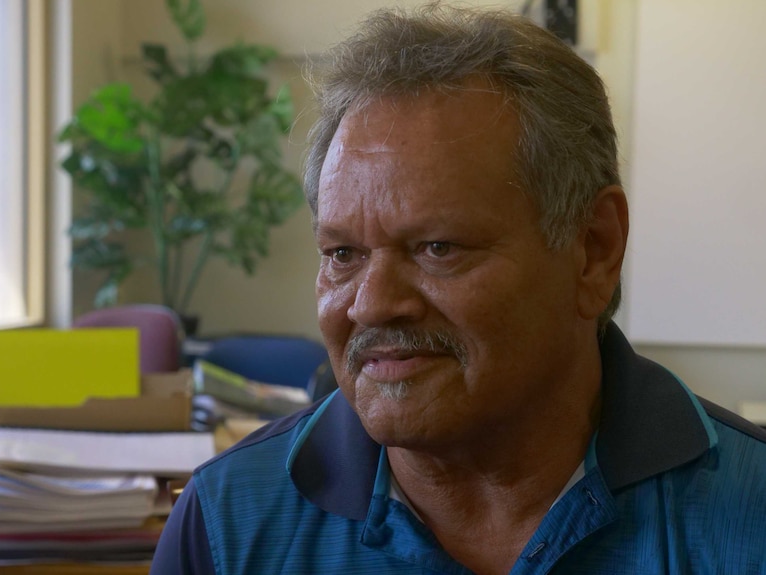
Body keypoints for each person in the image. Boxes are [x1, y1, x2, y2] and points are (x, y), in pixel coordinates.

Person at [151, 5, 766, 574]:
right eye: (343, 254)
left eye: (436, 248)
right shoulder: (226, 524)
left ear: (594, 250)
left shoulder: (750, 516)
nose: (371, 303)